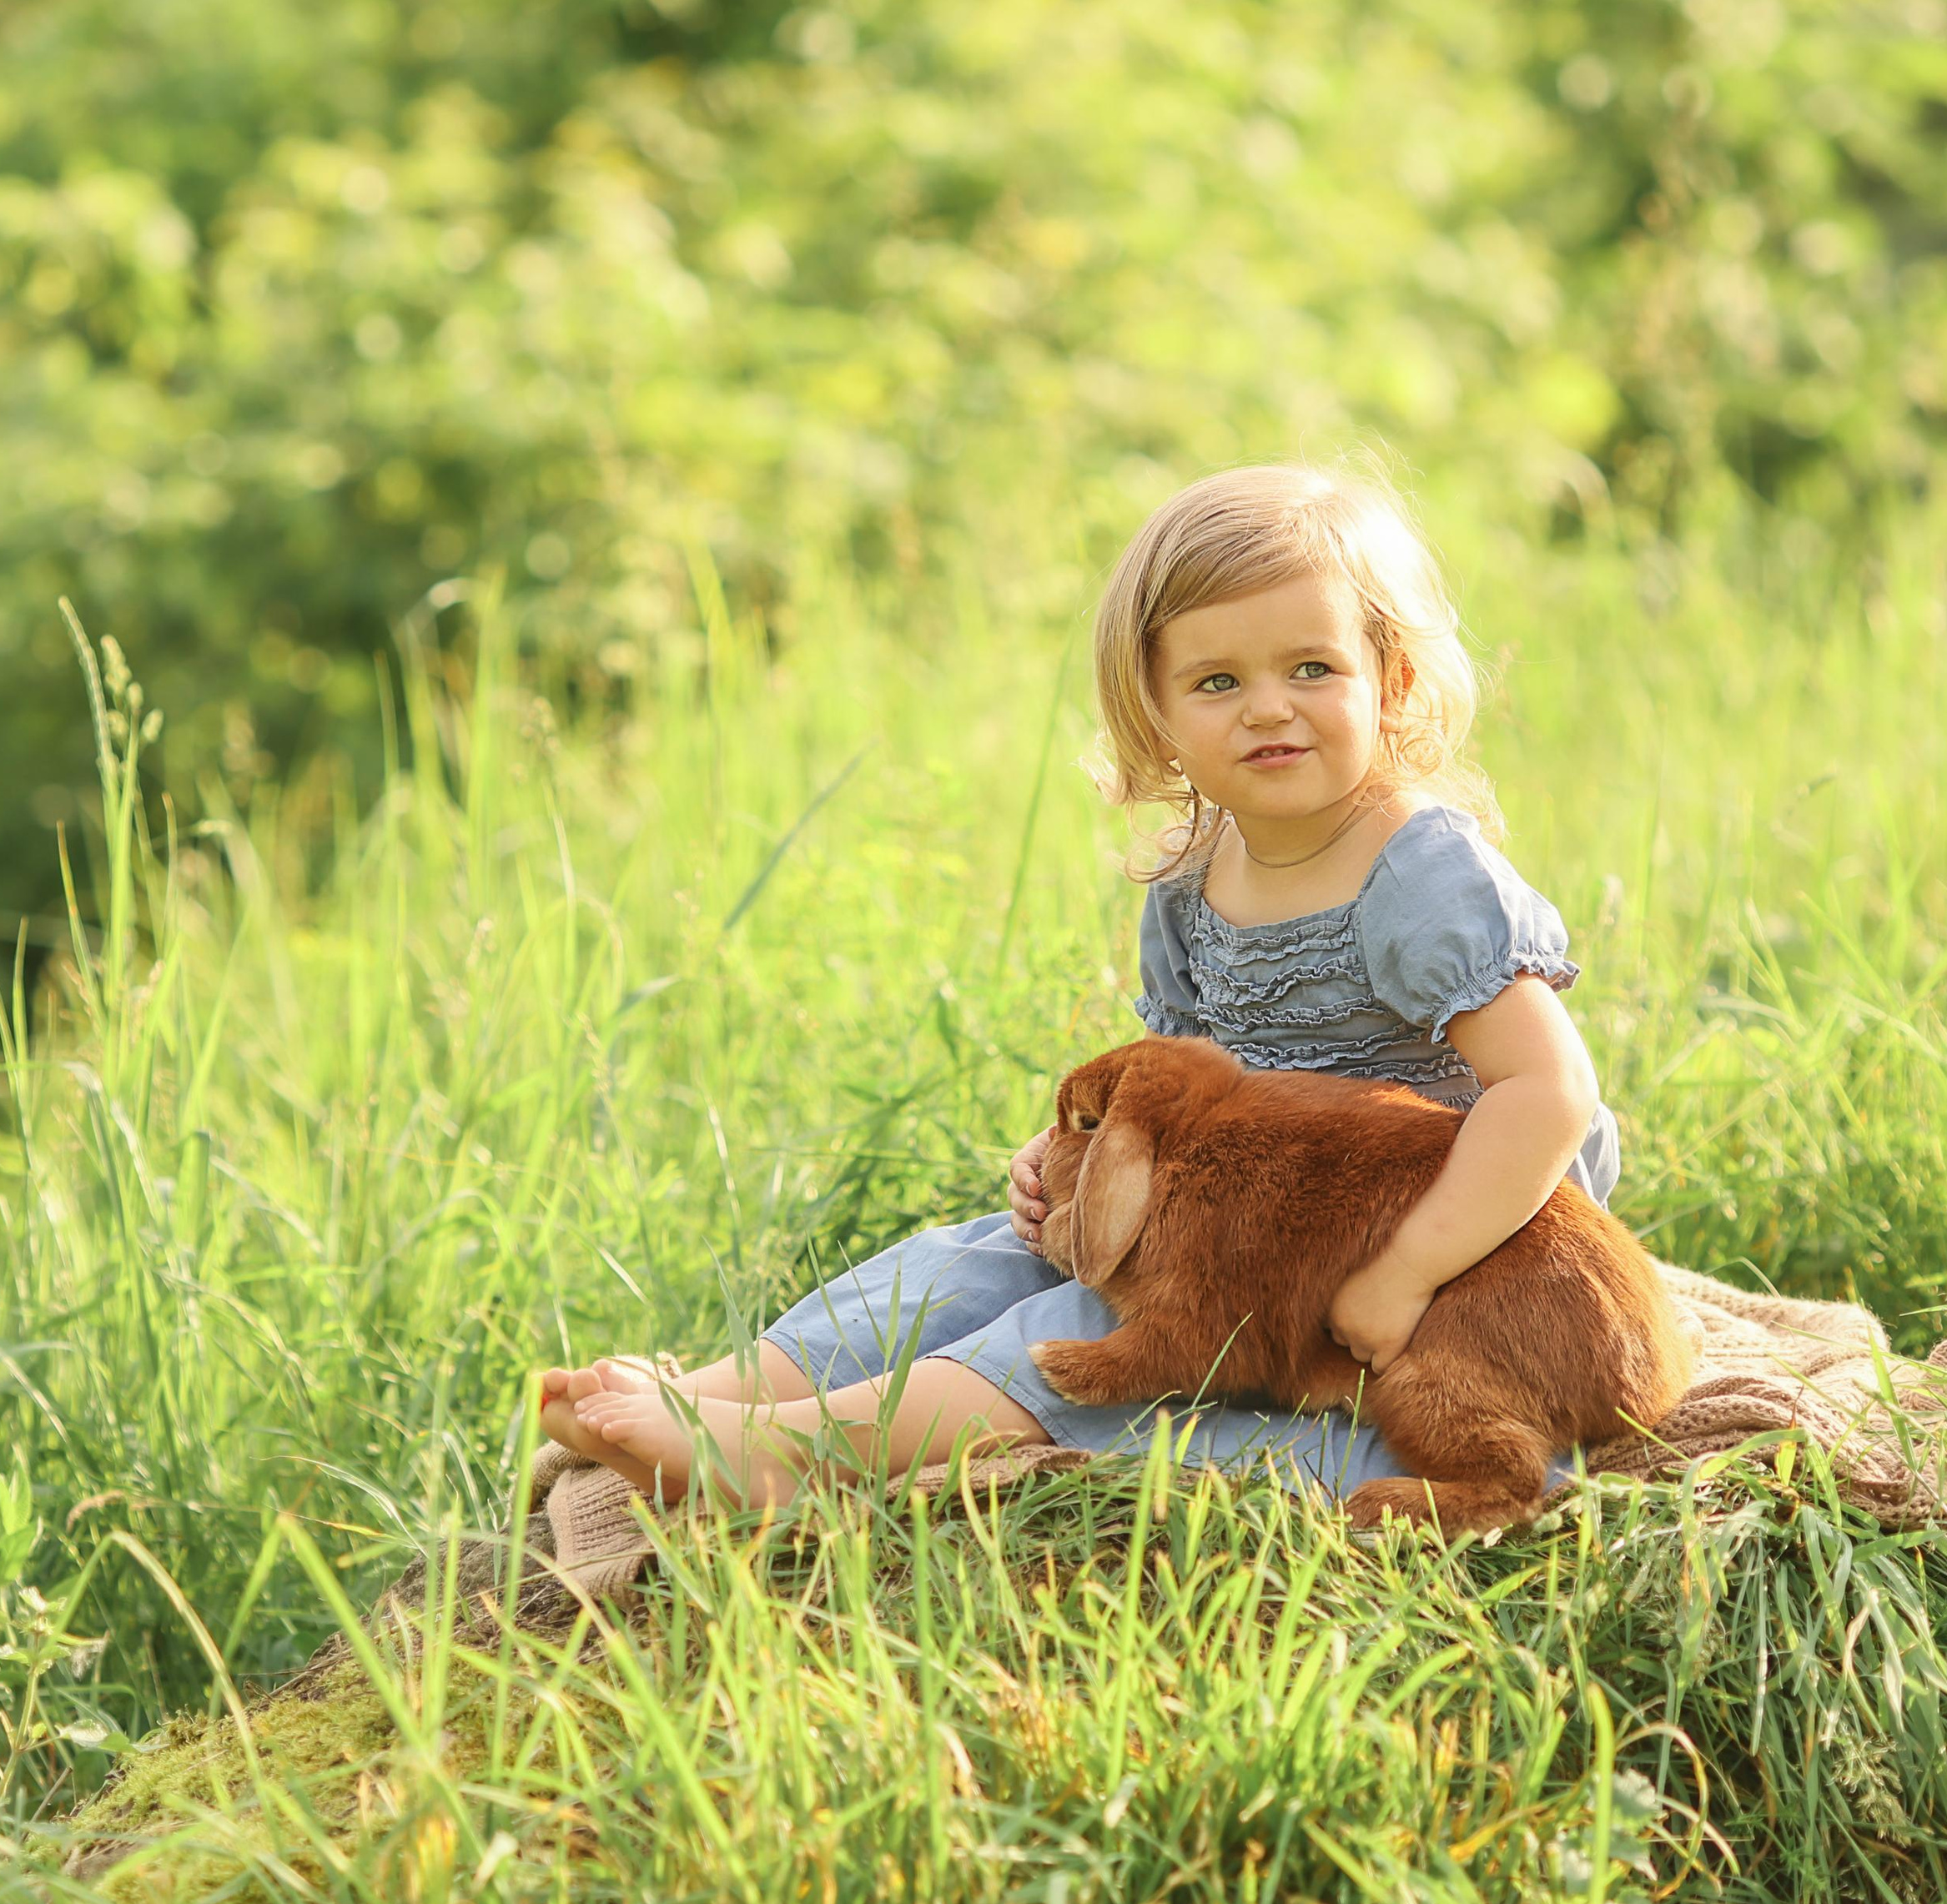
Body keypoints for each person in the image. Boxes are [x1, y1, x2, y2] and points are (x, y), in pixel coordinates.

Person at [537, 460, 1618, 1511]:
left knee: (1097, 1343)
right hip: (1254, 1215)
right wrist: (1087, 1160)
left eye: (1311, 669)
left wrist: (1411, 1272)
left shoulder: (1417, 874)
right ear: (1156, 715)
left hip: (1446, 1231)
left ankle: (803, 1456)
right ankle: (725, 1392)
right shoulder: (1195, 881)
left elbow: (1548, 1096)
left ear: (1397, 682)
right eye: (1216, 682)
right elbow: (1190, 1090)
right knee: (970, 1261)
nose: (1267, 710)